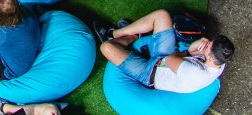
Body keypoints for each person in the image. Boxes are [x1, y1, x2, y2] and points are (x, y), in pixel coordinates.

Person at [95, 9, 233, 93]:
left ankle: (130, 36)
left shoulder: (194, 73)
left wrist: (190, 52)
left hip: (150, 74)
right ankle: (116, 33)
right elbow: (189, 54)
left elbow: (170, 59)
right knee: (162, 15)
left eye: (209, 45)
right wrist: (196, 49)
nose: (207, 42)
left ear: (209, 56)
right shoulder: (219, 60)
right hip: (166, 60)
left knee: (106, 47)